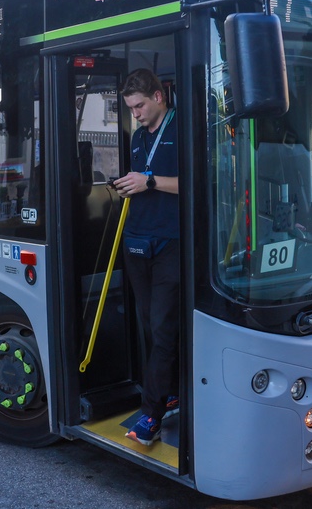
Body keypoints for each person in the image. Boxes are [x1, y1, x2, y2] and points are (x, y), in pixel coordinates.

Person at [113, 68, 180, 446]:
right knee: (149, 328)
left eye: (139, 106)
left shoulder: (181, 128)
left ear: (158, 97)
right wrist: (129, 185)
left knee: (164, 328)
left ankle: (151, 414)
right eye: (130, 108)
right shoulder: (139, 137)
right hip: (137, 240)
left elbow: (197, 182)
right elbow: (143, 180)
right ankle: (168, 391)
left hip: (169, 243)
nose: (134, 114)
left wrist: (149, 181)